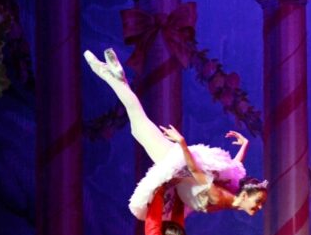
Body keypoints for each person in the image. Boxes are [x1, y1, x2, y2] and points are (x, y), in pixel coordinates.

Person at [83, 48, 268, 220]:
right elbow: (195, 171)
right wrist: (182, 143)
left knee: (137, 125)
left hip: (179, 167)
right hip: (174, 160)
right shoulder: (220, 197)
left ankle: (118, 79)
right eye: (258, 201)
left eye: (261, 203)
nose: (259, 207)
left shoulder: (232, 191)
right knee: (138, 121)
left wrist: (245, 146)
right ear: (245, 196)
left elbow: (234, 167)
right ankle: (106, 74)